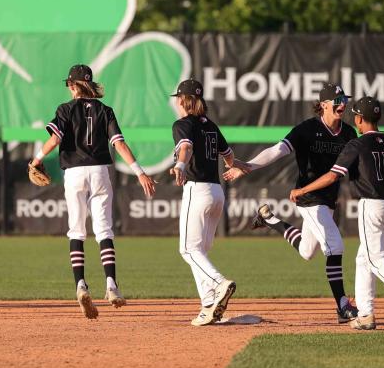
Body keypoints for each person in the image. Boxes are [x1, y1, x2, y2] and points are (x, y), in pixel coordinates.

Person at [290, 96, 384, 331]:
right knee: (364, 259)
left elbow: (333, 176)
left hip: (371, 206)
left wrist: (303, 189)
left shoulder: (356, 144)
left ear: (359, 119)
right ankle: (366, 314)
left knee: (377, 260)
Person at [224, 82, 359, 323]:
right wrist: (247, 167)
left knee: (307, 251)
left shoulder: (348, 133)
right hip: (309, 199)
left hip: (328, 200)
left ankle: (269, 219)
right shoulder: (306, 129)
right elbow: (277, 151)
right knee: (335, 246)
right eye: (338, 101)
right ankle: (342, 306)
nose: (343, 105)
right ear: (324, 105)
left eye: (345, 101)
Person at [29, 64, 156, 320]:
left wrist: (36, 159)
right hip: (100, 171)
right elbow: (118, 143)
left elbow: (54, 140)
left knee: (76, 230)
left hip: (75, 172)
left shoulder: (65, 109)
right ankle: (111, 285)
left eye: (69, 84)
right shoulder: (105, 110)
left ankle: (81, 285)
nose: (69, 87)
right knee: (104, 229)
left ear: (74, 86)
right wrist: (139, 171)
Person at [170, 79, 251, 326]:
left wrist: (180, 165)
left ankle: (219, 283)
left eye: (177, 98)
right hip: (217, 192)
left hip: (198, 190)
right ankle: (208, 305)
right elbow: (229, 156)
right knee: (199, 251)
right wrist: (233, 166)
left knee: (187, 249)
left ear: (183, 100)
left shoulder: (182, 124)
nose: (176, 102)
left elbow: (185, 148)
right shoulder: (211, 125)